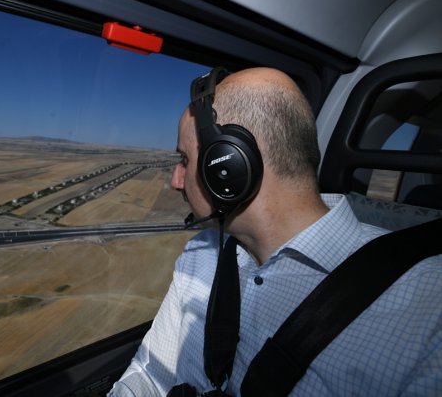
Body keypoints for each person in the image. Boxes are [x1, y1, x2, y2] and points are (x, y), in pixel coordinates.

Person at [108, 67, 442, 396]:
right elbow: (149, 375)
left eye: (184, 159)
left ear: (228, 164)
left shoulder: (429, 312)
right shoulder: (201, 254)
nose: (175, 180)